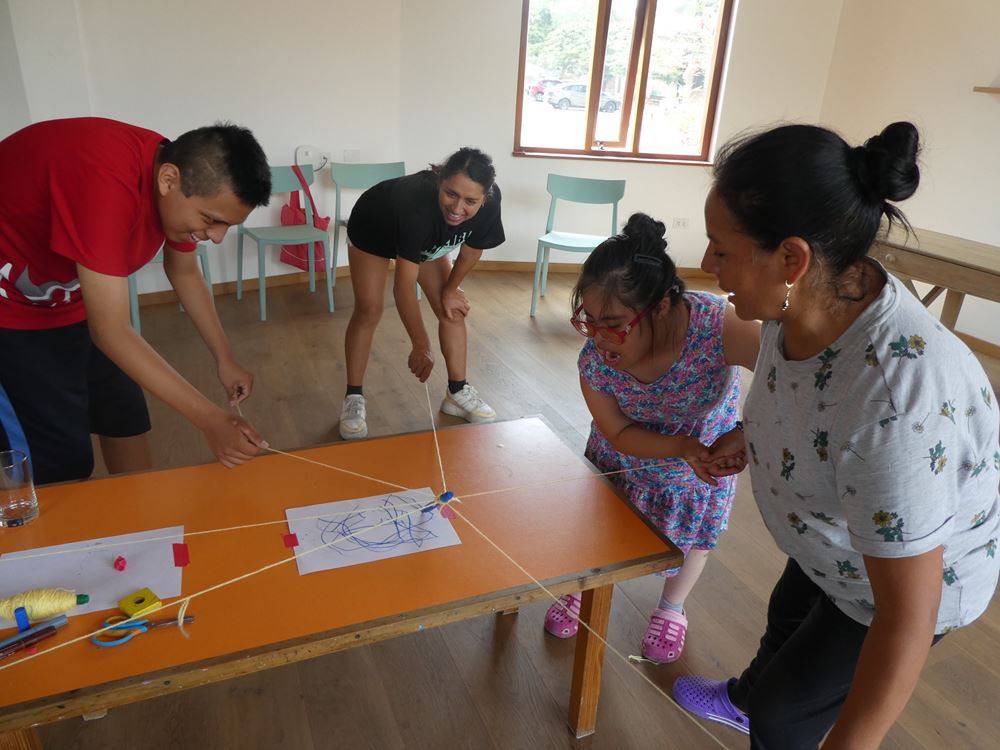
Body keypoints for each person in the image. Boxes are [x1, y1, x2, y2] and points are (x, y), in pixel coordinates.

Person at [674, 122, 1000, 748]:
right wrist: (751, 433)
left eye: (721, 249)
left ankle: (765, 716)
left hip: (901, 582)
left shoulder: (894, 406)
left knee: (783, 715)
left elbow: (906, 617)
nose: (709, 266)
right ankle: (747, 700)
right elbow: (806, 396)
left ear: (791, 258)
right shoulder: (809, 293)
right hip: (834, 538)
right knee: (786, 619)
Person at [0, 117, 272, 485]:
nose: (217, 237)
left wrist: (225, 358)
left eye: (226, 225)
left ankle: (142, 515)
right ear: (168, 180)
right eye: (211, 220)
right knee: (61, 458)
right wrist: (211, 420)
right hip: (11, 311)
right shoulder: (105, 182)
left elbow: (184, 272)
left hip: (72, 296)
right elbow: (110, 330)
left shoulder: (177, 179)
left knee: (124, 415)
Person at [542, 213, 760, 663]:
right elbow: (618, 431)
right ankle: (583, 587)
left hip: (703, 466)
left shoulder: (718, 325)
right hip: (624, 460)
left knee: (695, 539)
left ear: (660, 306)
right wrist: (681, 447)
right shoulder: (595, 361)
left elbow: (792, 378)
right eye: (588, 321)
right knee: (599, 529)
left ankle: (672, 608)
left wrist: (744, 434)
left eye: (614, 323)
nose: (600, 339)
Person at [339, 147, 505, 439]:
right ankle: (353, 397)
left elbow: (471, 251)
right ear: (440, 181)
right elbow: (404, 286)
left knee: (451, 308)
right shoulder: (416, 204)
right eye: (451, 194)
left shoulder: (490, 203)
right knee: (369, 310)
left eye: (470, 201)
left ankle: (457, 393)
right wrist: (420, 344)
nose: (457, 208)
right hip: (374, 230)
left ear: (484, 197)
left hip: (425, 239)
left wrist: (451, 290)